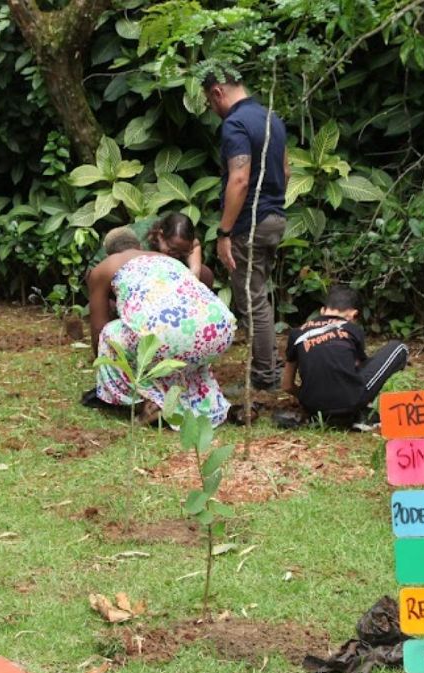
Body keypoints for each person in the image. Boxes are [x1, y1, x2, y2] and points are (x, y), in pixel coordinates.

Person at [87, 227, 236, 427]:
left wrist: (103, 367)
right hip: (219, 330)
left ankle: (148, 404)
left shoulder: (104, 267)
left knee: (109, 334)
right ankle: (208, 405)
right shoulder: (164, 258)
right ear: (139, 246)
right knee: (182, 349)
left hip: (169, 337)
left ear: (108, 253)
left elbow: (98, 325)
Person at [203, 71, 289, 391]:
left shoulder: (235, 124)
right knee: (261, 297)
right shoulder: (271, 118)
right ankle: (271, 366)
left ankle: (265, 377)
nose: (212, 109)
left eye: (209, 102)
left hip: (249, 224)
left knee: (252, 303)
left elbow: (239, 178)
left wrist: (225, 232)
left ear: (217, 92)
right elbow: (286, 170)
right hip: (274, 217)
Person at [282, 286, 408, 428]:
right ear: (353, 315)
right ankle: (361, 413)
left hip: (313, 409)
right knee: (398, 348)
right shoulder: (352, 329)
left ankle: (340, 410)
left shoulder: (297, 333)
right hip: (350, 403)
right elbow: (357, 370)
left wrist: (311, 398)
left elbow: (287, 385)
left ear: (323, 310)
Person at [145, 212, 214, 288]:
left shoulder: (185, 244)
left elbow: (195, 245)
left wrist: (194, 272)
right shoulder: (142, 245)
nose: (177, 255)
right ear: (160, 236)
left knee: (205, 275)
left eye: (183, 251)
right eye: (173, 250)